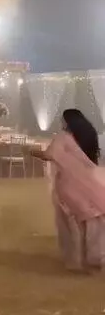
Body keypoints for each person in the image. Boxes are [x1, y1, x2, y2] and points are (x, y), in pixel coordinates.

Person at [31, 108, 105, 272]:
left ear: (67, 121)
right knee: (93, 220)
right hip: (90, 181)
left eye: (63, 119)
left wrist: (32, 152)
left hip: (69, 183)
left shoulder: (63, 138)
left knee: (70, 222)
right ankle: (95, 257)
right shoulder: (90, 135)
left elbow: (50, 155)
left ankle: (75, 259)